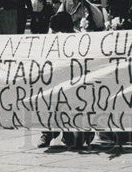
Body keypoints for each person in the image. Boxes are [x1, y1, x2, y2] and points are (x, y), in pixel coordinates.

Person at [38, 9, 95, 150]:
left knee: (76, 143)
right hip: (57, 82)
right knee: (51, 102)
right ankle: (49, 132)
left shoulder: (80, 39)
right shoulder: (54, 39)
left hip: (76, 84)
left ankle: (73, 133)